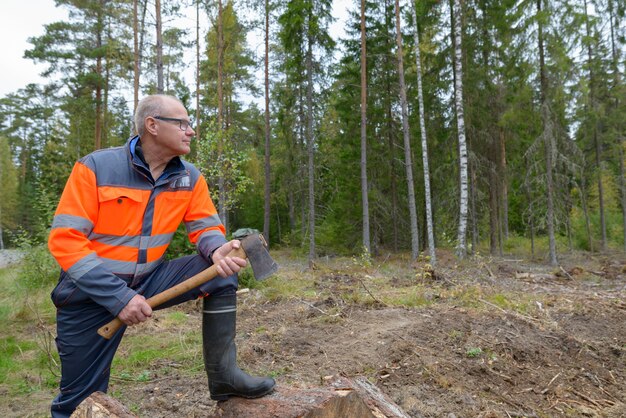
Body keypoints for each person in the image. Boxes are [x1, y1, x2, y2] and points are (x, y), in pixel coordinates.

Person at [47, 94, 275, 417]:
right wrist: (118, 298)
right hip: (89, 295)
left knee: (223, 270)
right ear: (152, 126)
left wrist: (216, 249)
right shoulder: (96, 168)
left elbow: (206, 227)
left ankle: (225, 378)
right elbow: (64, 241)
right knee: (80, 402)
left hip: (150, 280)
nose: (191, 131)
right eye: (182, 123)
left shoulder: (190, 178)